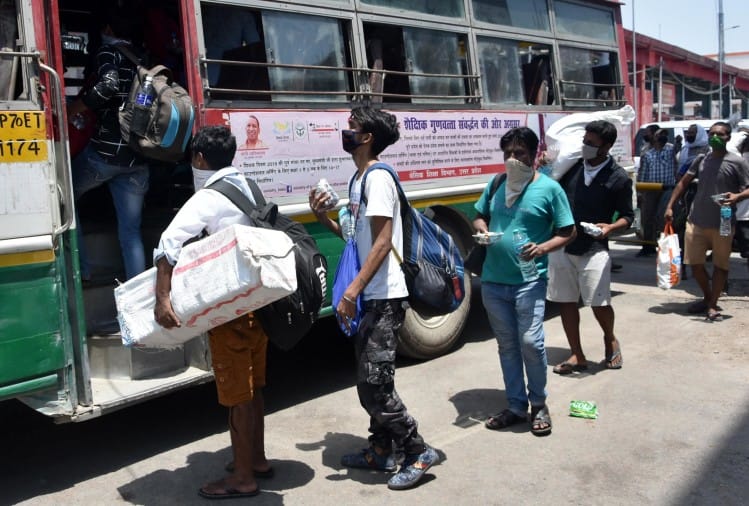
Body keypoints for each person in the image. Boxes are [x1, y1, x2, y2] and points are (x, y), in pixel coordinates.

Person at [309, 106, 438, 490]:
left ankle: (417, 450)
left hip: (384, 296)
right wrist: (323, 219)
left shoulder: (378, 178)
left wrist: (352, 290)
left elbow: (382, 242)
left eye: (352, 126)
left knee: (375, 385)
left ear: (367, 137)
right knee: (370, 378)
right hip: (370, 296)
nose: (346, 131)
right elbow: (357, 239)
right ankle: (381, 450)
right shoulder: (359, 178)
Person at [154, 126, 273, 499]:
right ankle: (256, 459)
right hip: (258, 304)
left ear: (200, 158)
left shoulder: (209, 196)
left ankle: (243, 479)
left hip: (231, 310)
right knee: (253, 387)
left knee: (237, 393)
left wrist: (162, 299)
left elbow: (168, 244)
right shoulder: (248, 185)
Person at [472, 127, 575, 436]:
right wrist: (482, 230)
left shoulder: (549, 189)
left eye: (519, 153)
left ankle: (538, 403)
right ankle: (516, 406)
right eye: (508, 153)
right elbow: (479, 215)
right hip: (493, 281)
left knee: (531, 342)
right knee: (507, 346)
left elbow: (568, 231)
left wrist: (542, 248)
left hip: (530, 281)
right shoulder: (496, 183)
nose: (512, 159)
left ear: (533, 155)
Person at [67, 8, 148, 281]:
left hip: (104, 155)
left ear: (109, 30)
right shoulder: (142, 58)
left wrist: (75, 107)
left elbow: (108, 85)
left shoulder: (108, 52)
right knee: (131, 231)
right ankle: (138, 291)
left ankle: (82, 271)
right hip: (138, 158)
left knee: (64, 199)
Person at [547, 120, 633, 374]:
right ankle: (577, 354)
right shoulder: (571, 167)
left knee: (598, 302)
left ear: (606, 147)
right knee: (565, 301)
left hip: (593, 247)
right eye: (584, 141)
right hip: (562, 243)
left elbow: (628, 216)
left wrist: (610, 227)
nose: (585, 146)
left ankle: (610, 338)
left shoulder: (618, 177)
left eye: (591, 143)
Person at [664, 121, 749, 321]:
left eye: (720, 134)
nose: (715, 137)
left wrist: (737, 197)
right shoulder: (702, 159)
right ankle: (709, 297)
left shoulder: (737, 162)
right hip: (697, 219)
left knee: (721, 265)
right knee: (695, 264)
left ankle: (711, 305)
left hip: (724, 221)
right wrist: (670, 206)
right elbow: (683, 182)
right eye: (712, 134)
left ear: (728, 137)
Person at [636, 128, 676, 257]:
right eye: (660, 135)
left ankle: (666, 247)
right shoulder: (648, 154)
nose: (662, 137)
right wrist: (640, 192)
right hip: (651, 189)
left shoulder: (671, 150)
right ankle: (648, 246)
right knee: (647, 217)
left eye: (665, 135)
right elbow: (642, 174)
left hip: (667, 188)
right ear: (654, 137)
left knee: (662, 217)